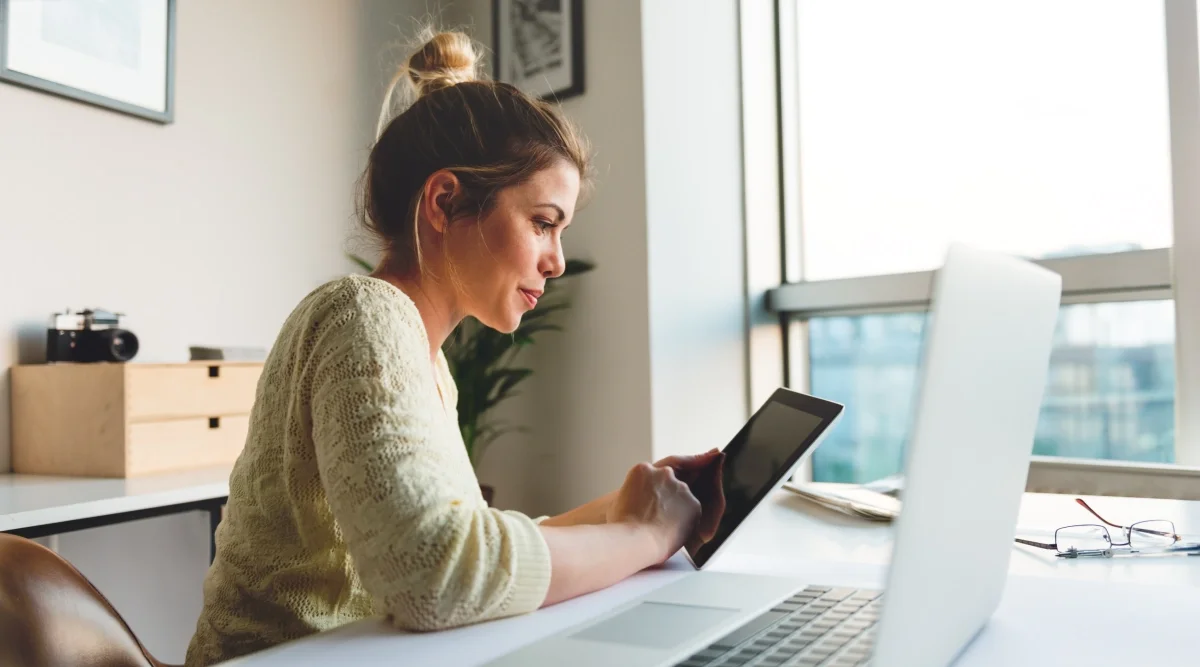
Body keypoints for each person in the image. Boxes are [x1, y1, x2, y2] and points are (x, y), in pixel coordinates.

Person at [183, 29, 724, 667]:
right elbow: (435, 574)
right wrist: (642, 534)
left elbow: (466, 546)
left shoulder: (426, 358)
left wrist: (635, 507)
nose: (555, 261)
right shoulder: (364, 315)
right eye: (543, 223)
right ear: (445, 201)